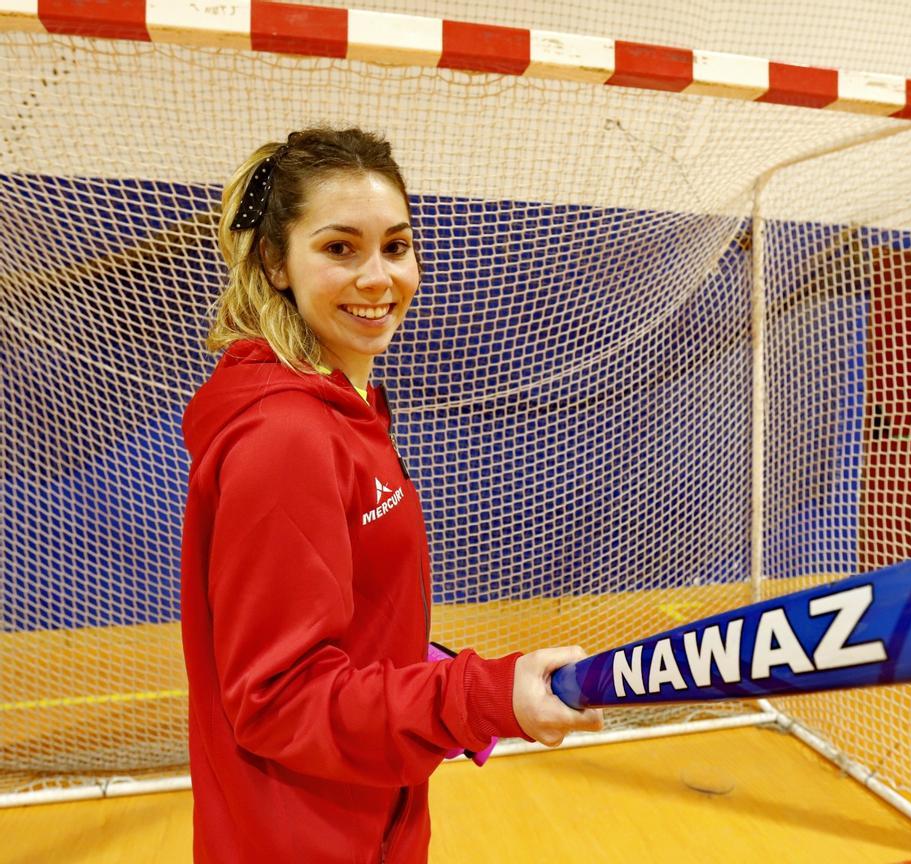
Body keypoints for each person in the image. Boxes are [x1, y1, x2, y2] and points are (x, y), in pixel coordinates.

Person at [180, 126, 602, 864]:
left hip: (369, 807)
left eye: (396, 246)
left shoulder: (348, 409)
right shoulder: (286, 436)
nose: (378, 278)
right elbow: (279, 700)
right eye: (339, 248)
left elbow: (349, 631)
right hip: (305, 835)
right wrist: (477, 699)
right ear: (277, 262)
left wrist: (442, 671)